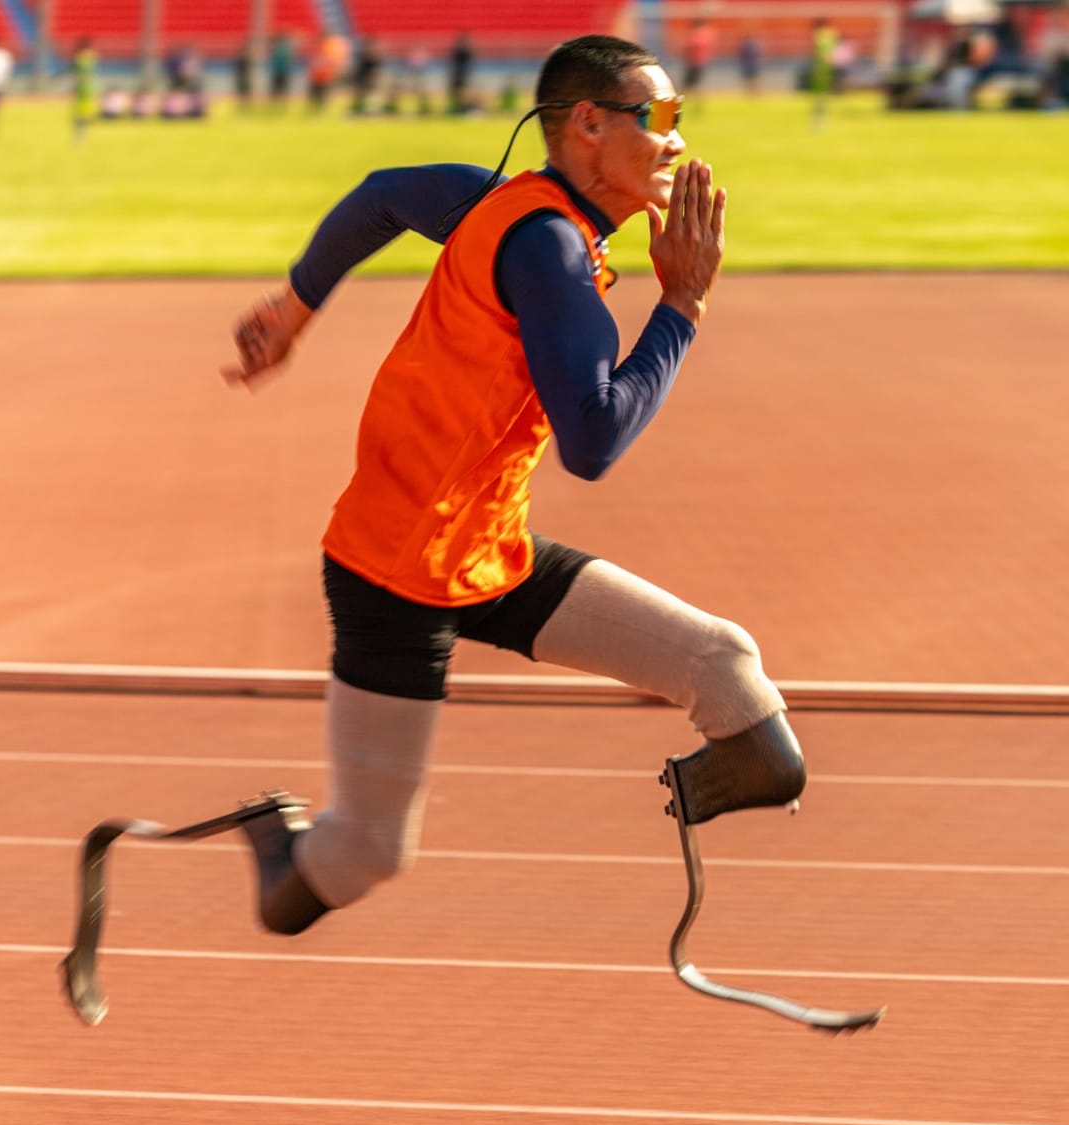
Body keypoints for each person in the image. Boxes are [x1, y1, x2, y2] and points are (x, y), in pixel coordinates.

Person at [216, 35, 806, 941]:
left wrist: (294, 312)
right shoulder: (549, 254)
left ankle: (701, 787)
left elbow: (380, 196)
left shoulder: (501, 203)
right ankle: (276, 851)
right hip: (393, 573)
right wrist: (681, 305)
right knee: (367, 852)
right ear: (588, 125)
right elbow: (595, 439)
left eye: (681, 118)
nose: (678, 140)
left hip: (489, 551)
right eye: (661, 118)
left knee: (729, 672)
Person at [70, 36, 98, 140]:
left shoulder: (80, 58)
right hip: (88, 88)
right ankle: (83, 134)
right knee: (84, 112)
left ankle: (79, 135)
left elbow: (77, 73)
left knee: (79, 113)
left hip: (82, 88)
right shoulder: (91, 57)